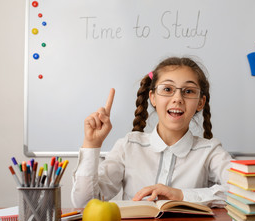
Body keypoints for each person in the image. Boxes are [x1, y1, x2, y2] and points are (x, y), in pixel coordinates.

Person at [71, 56, 233, 208]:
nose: (177, 98)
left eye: (188, 91)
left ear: (200, 103)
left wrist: (181, 195)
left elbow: (246, 192)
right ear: (153, 98)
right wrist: (92, 144)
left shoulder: (210, 151)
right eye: (168, 89)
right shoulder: (128, 146)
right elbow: (84, 203)